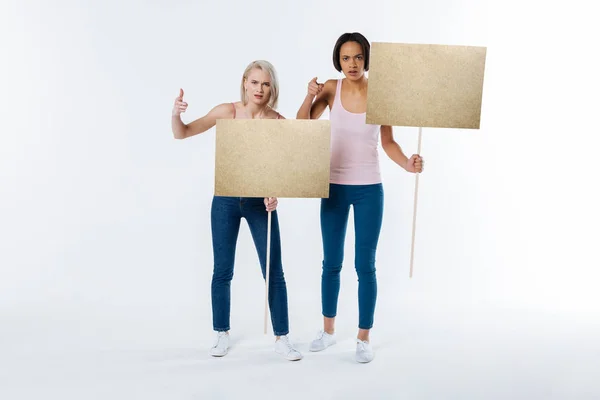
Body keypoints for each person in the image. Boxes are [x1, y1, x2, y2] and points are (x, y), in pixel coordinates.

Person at [296, 32, 424, 363]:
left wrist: (408, 163)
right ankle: (327, 331)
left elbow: (389, 142)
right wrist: (308, 96)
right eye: (345, 58)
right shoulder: (329, 88)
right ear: (337, 61)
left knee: (364, 265)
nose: (351, 64)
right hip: (334, 186)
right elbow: (302, 127)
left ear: (366, 58)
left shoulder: (381, 92)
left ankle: (363, 337)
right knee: (331, 263)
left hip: (369, 189)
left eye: (357, 57)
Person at [171, 60, 302, 361]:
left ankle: (282, 337)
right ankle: (221, 333)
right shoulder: (227, 112)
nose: (260, 89)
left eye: (266, 84)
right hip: (226, 200)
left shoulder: (277, 122)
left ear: (272, 88)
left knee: (273, 271)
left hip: (259, 202)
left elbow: (288, 168)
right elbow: (183, 133)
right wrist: (176, 114)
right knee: (222, 270)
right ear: (245, 82)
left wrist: (275, 191)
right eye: (255, 82)